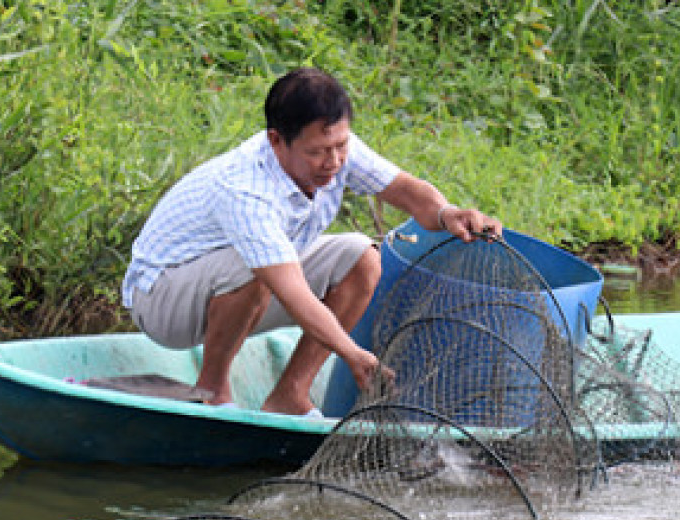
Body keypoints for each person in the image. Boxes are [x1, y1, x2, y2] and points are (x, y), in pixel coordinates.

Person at [121, 67, 502, 417]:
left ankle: (290, 395)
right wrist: (351, 352)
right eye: (317, 152)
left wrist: (446, 213)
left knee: (361, 257)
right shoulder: (244, 188)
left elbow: (406, 191)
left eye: (339, 146)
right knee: (259, 267)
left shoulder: (337, 147)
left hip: (238, 281)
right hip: (162, 298)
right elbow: (289, 288)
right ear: (276, 141)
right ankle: (213, 389)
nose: (333, 161)